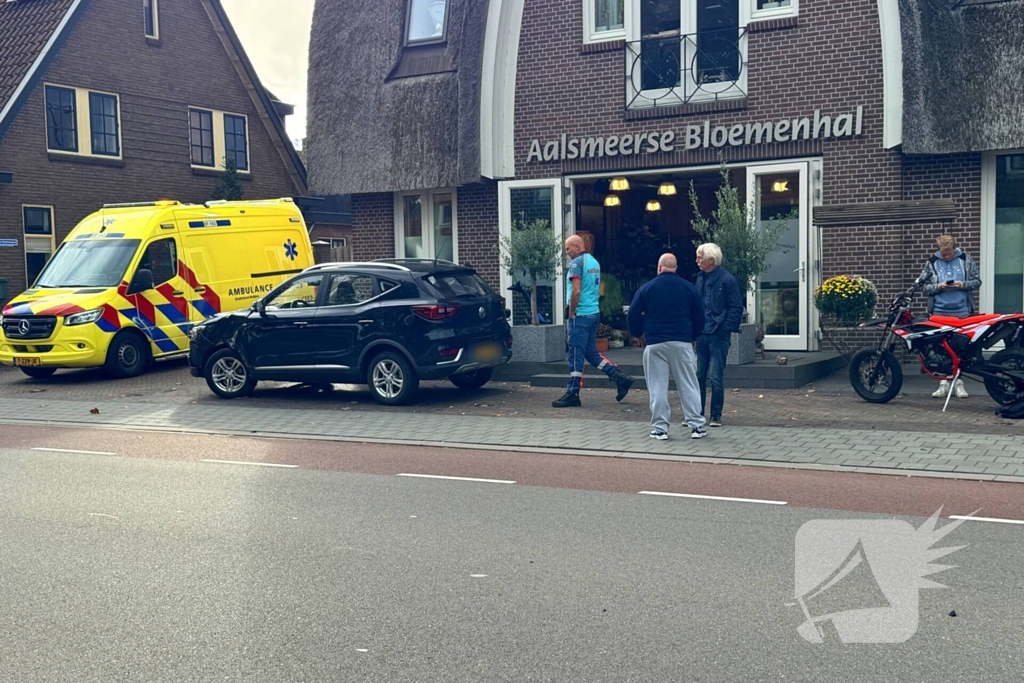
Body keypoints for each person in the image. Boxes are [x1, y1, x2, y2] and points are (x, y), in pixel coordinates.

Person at [628, 254, 707, 440]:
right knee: (689, 384)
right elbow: (700, 316)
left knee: (657, 386)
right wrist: (693, 336)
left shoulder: (647, 288)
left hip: (655, 342)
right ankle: (696, 426)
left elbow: (632, 313)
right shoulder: (688, 288)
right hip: (682, 342)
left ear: (659, 267)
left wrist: (639, 334)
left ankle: (660, 428)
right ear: (676, 267)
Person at [551, 235, 634, 408]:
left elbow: (576, 290)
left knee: (575, 353)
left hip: (580, 315)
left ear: (577, 245)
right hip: (593, 313)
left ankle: (573, 392)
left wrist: (572, 311)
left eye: (568, 248)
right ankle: (620, 378)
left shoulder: (576, 264)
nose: (566, 252)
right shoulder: (594, 262)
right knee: (591, 353)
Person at [920, 234, 981, 399]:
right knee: (941, 348)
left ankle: (959, 383)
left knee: (960, 348)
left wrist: (962, 285)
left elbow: (977, 281)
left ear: (955, 249)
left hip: (962, 310)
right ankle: (943, 383)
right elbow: (924, 287)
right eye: (943, 254)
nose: (946, 257)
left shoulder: (965, 260)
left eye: (949, 253)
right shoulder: (932, 262)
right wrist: (939, 286)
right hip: (939, 311)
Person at [694, 243, 744, 427]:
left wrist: (724, 329)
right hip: (702, 333)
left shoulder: (727, 280)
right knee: (699, 375)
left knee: (715, 376)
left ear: (711, 260)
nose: (696, 261)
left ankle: (716, 415)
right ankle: (697, 414)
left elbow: (736, 307)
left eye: (700, 257)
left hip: (717, 334)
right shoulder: (700, 278)